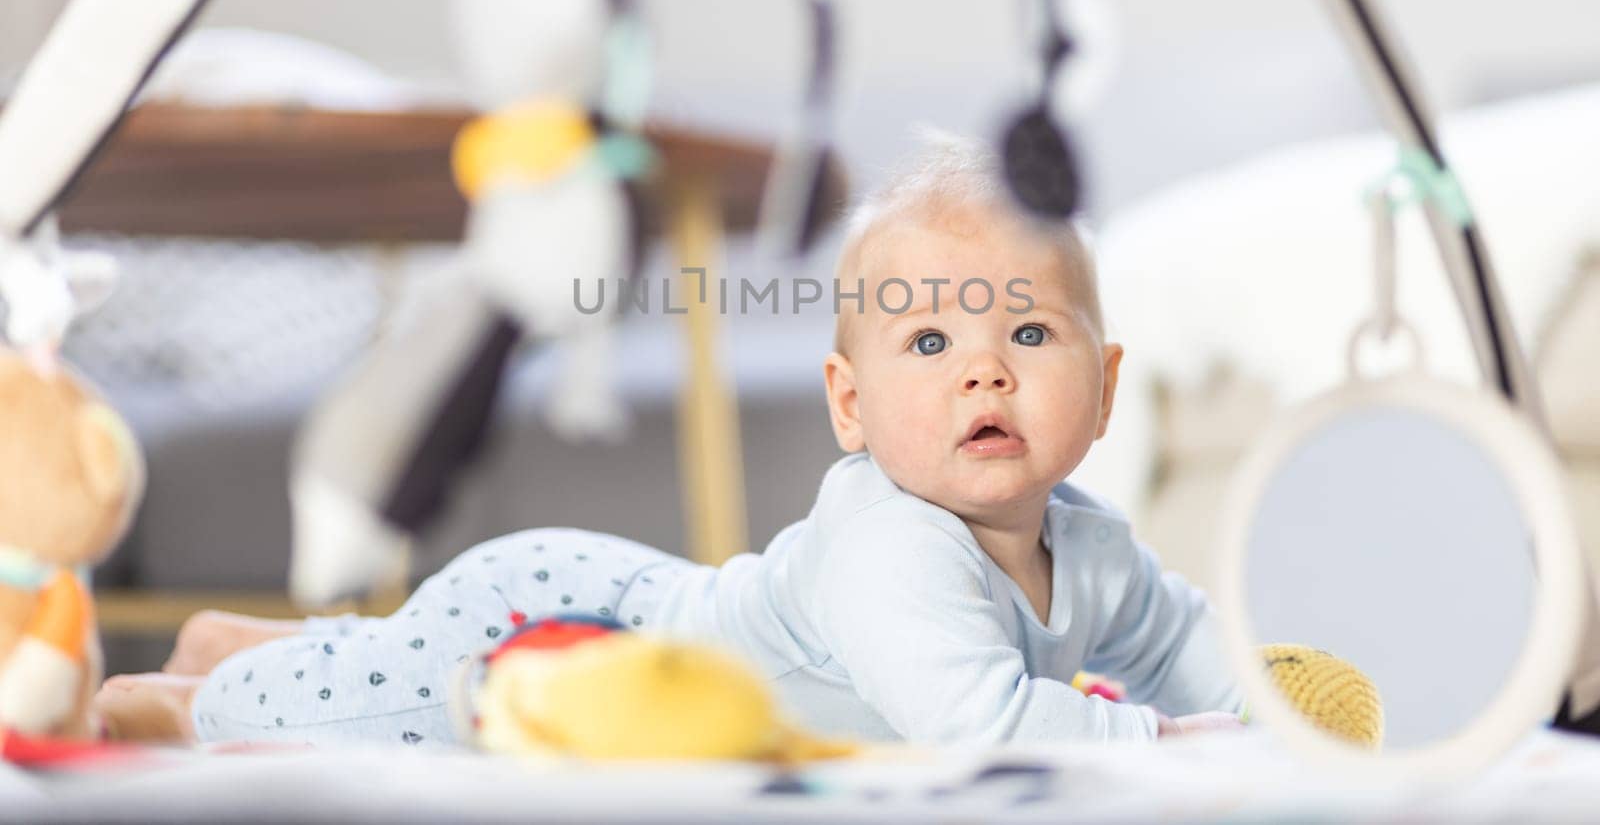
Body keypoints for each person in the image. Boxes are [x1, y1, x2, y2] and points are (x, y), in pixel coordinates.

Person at [96, 132, 1243, 747]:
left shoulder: (1087, 547)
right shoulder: (894, 543)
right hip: (566, 624)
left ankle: (233, 636)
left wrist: (1259, 710)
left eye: (1030, 330)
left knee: (376, 663)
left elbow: (1181, 639)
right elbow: (977, 723)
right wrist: (1158, 737)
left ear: (1101, 391)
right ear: (850, 406)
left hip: (634, 598)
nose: (985, 367)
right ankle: (186, 699)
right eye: (930, 340)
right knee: (377, 716)